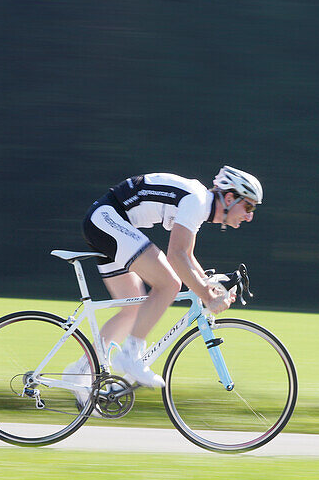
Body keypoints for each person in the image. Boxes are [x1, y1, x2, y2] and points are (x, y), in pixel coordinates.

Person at [64, 167, 262, 400]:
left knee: (132, 310)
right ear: (229, 198)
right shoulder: (197, 202)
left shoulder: (198, 204)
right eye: (248, 207)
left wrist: (210, 287)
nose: (250, 216)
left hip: (105, 221)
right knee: (169, 284)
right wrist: (207, 297)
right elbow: (176, 256)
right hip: (108, 220)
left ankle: (78, 372)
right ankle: (130, 355)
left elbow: (187, 256)